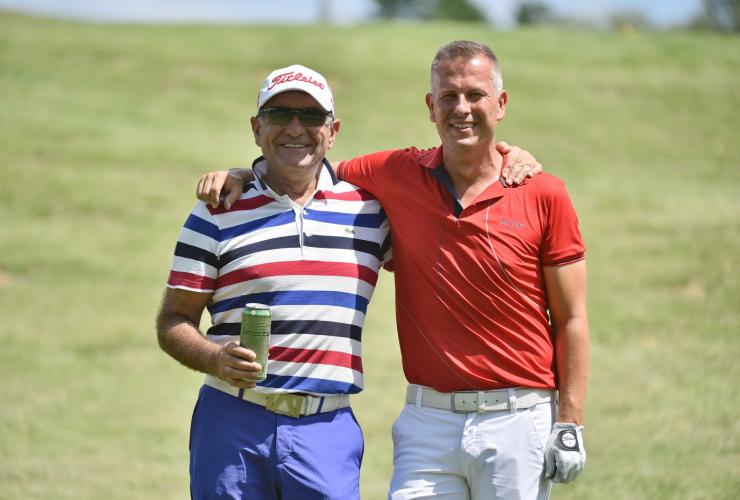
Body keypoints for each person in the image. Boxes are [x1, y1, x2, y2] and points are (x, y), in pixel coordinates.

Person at [198, 40, 588, 500]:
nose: (461, 108)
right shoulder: (395, 172)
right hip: (428, 419)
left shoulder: (543, 192)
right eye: (448, 96)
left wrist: (570, 421)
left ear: (500, 103)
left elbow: (571, 318)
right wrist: (245, 175)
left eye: (475, 95)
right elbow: (304, 165)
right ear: (430, 106)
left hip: (517, 418)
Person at [156, 64, 392, 499]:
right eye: (280, 114)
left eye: (312, 116)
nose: (296, 128)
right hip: (231, 422)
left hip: (327, 428)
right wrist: (214, 358)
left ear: (333, 131)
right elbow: (173, 320)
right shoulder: (215, 213)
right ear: (257, 128)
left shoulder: (369, 212)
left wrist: (506, 156)